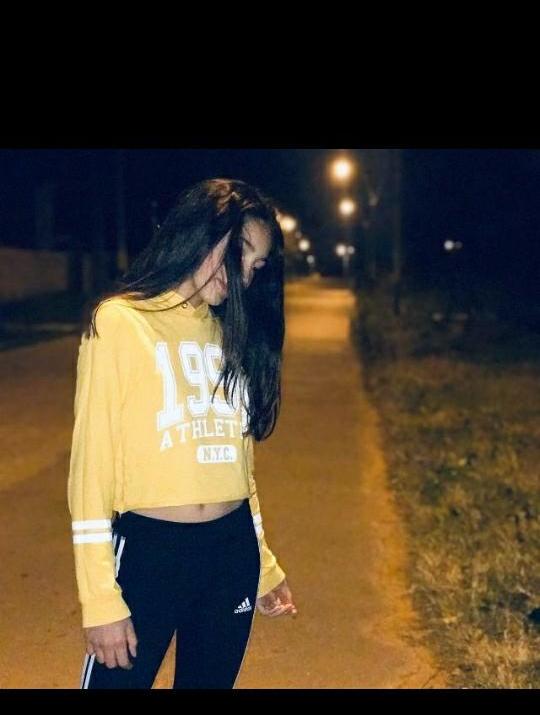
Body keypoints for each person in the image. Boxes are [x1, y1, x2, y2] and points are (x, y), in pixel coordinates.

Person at [68, 178, 297, 689]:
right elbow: (90, 471)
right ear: (201, 232)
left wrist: (263, 564)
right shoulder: (122, 322)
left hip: (230, 552)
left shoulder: (231, 334)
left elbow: (241, 468)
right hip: (150, 554)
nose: (244, 275)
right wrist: (99, 599)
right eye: (239, 252)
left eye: (256, 266)